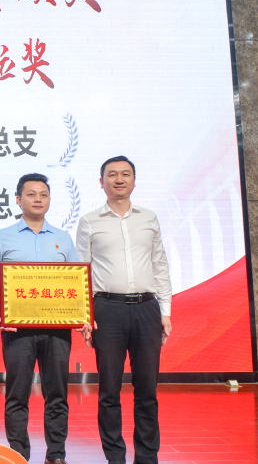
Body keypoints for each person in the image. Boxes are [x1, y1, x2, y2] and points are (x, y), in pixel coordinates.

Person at [75, 155, 172, 464]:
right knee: (109, 391)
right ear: (101, 182)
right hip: (107, 310)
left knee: (147, 391)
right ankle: (114, 456)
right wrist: (84, 316)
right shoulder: (89, 221)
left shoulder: (149, 218)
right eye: (112, 174)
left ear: (134, 180)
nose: (119, 179)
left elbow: (160, 265)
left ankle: (147, 456)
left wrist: (165, 311)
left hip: (147, 309)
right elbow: (80, 272)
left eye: (126, 174)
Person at [0, 173, 79, 464]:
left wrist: (81, 315)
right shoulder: (3, 236)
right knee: (17, 394)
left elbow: (76, 282)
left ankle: (56, 455)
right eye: (31, 194)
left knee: (57, 394)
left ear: (49, 200)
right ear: (18, 199)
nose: (38, 199)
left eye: (43, 195)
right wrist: (3, 308)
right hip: (17, 329)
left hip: (56, 329)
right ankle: (18, 454)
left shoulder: (63, 238)